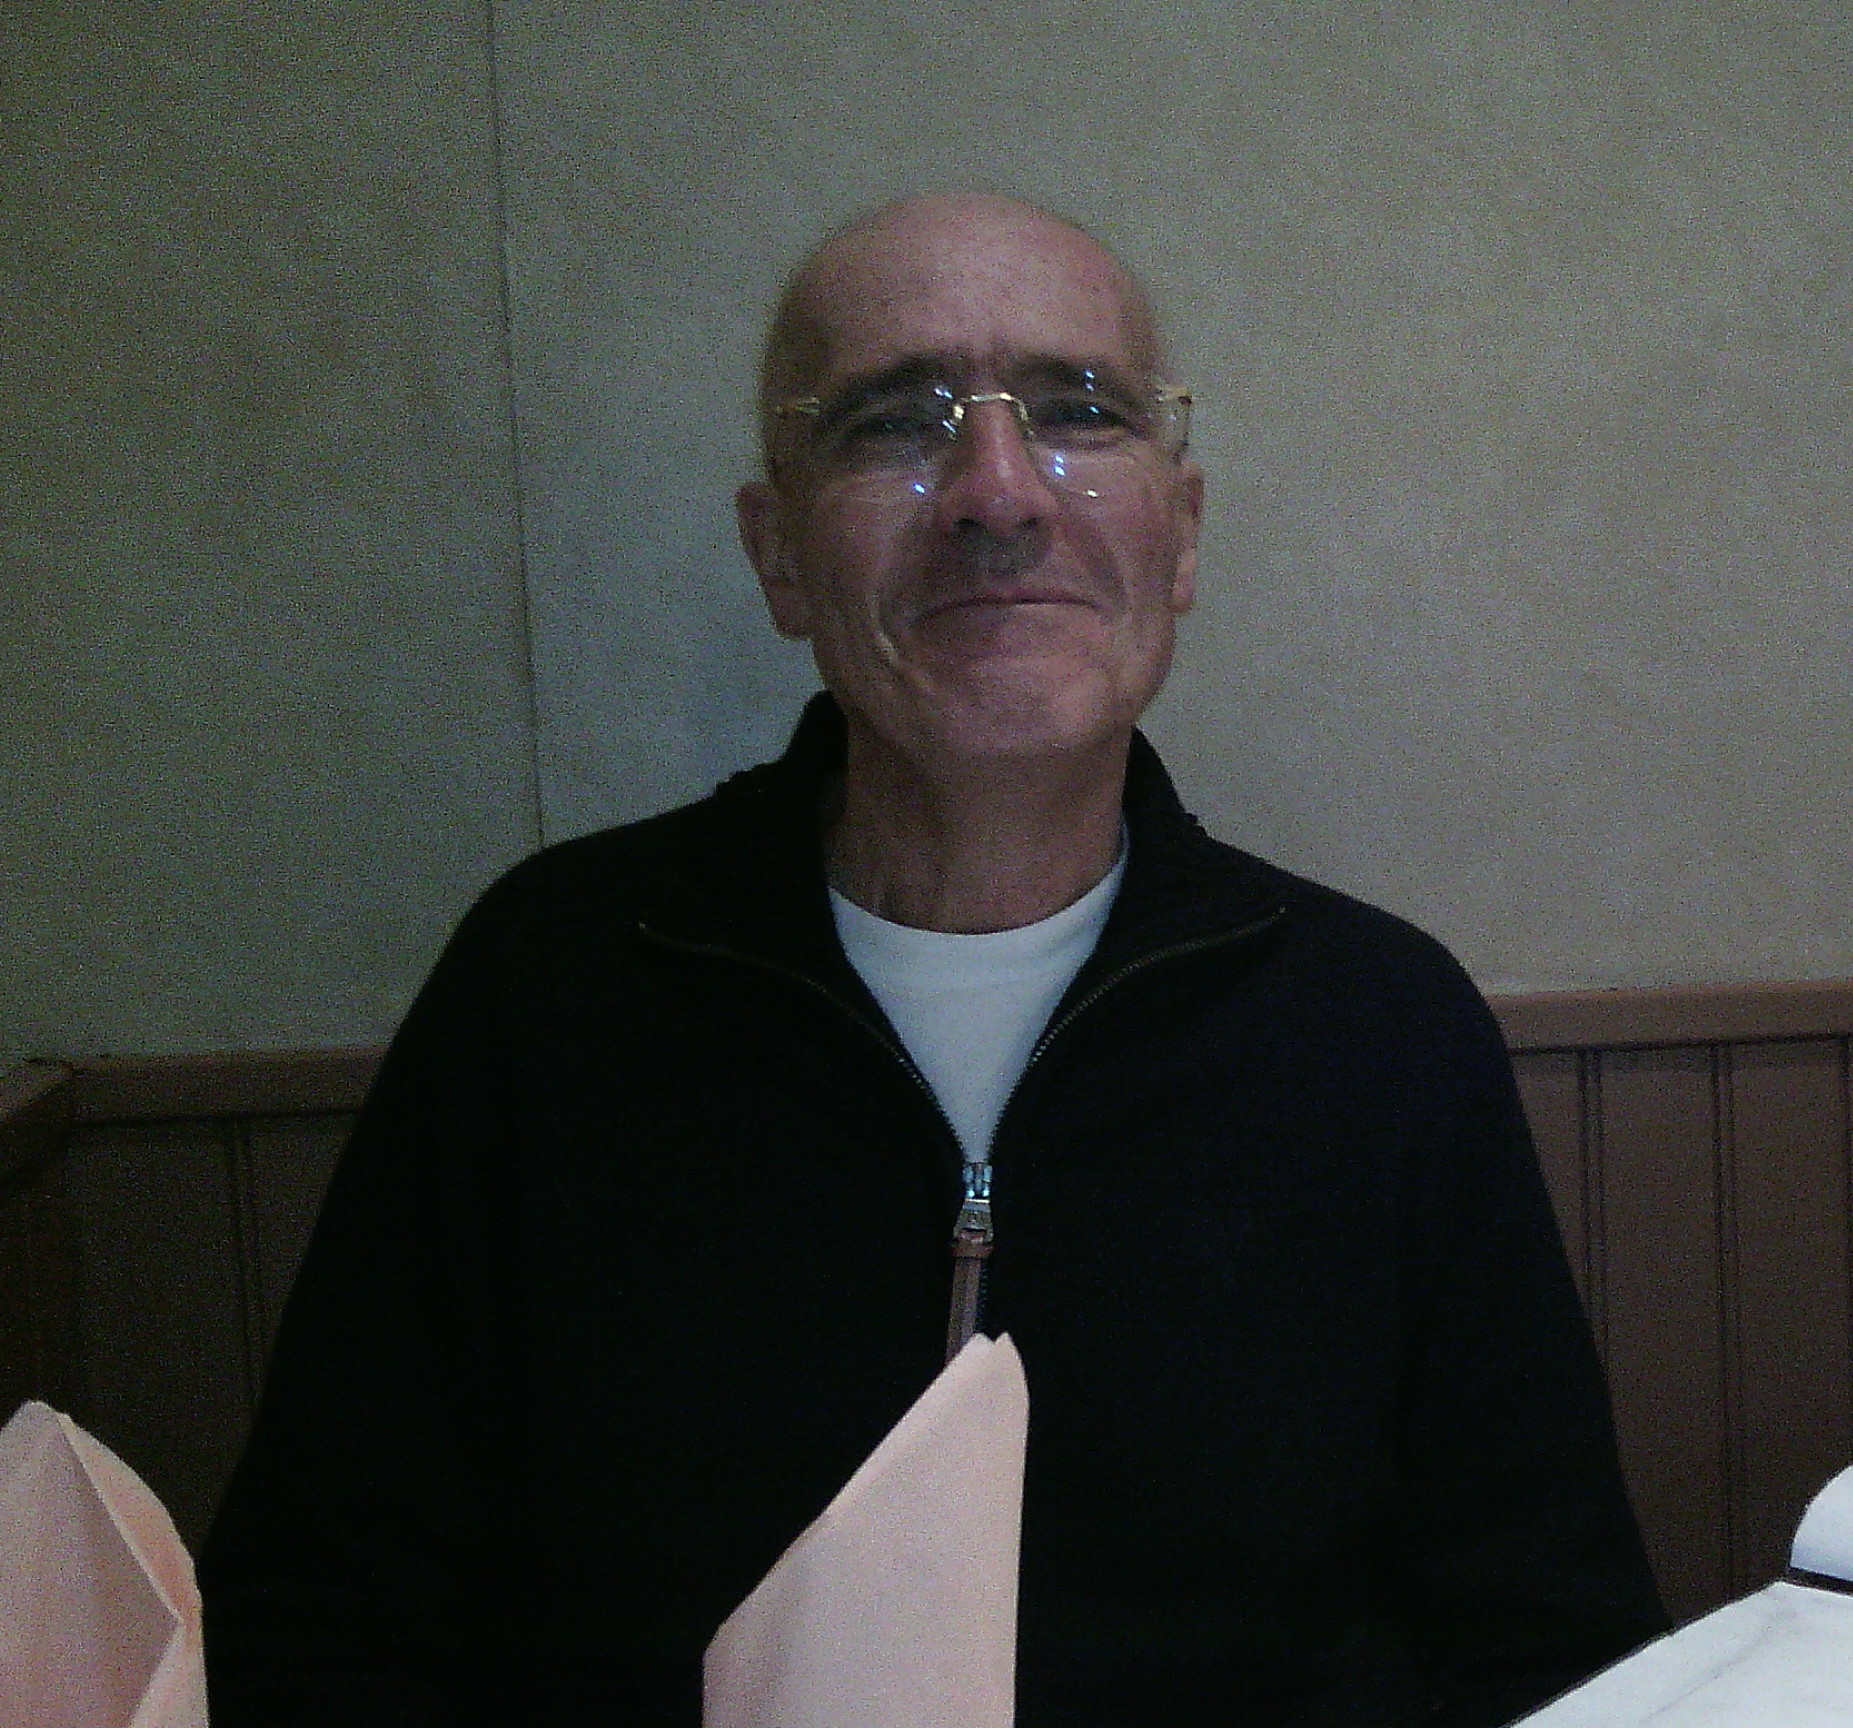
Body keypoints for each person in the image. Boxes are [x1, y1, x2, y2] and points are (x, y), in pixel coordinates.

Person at [200, 192, 1666, 1727]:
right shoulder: (553, 987)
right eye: (895, 422)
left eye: (1078, 412)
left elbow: (1554, 1654)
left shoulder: (1377, 1028)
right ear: (778, 553)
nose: (997, 494)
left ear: (1180, 535)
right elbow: (322, 1628)